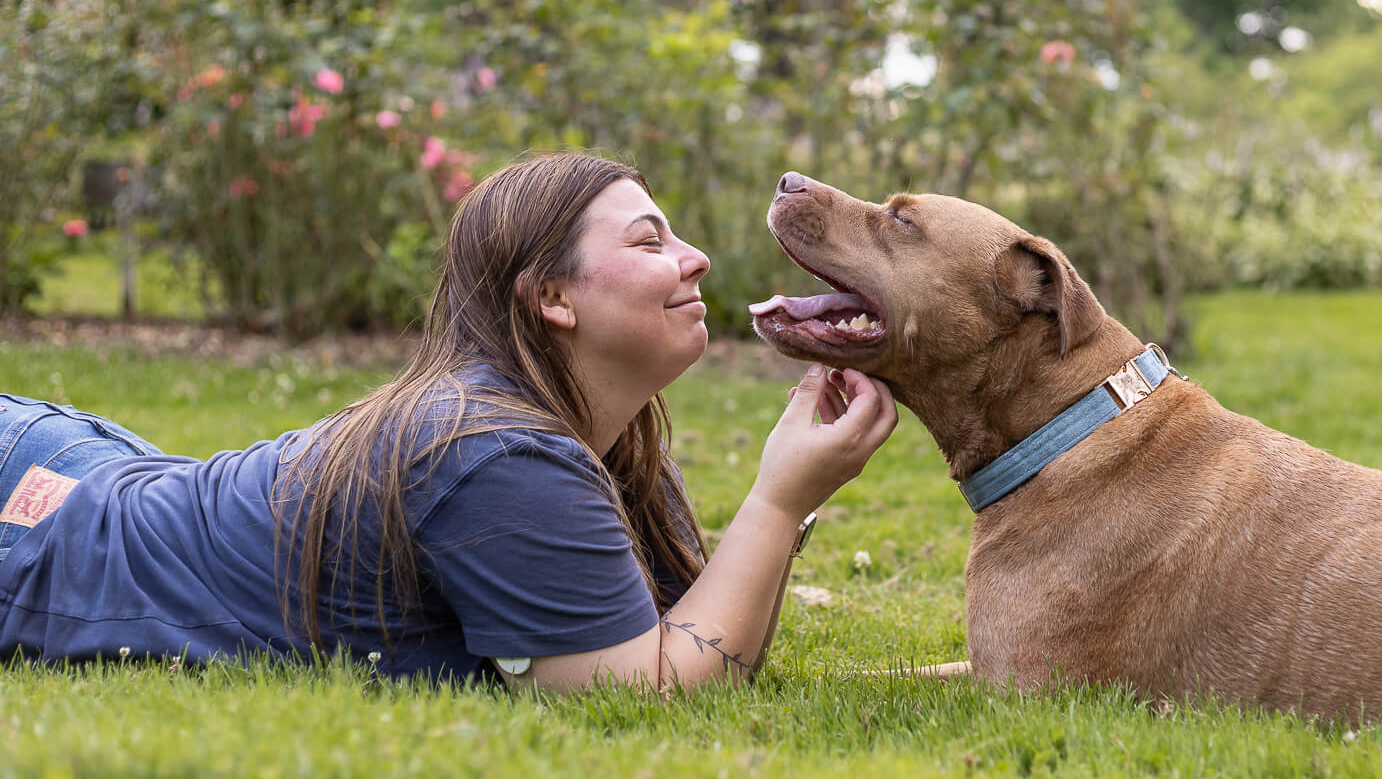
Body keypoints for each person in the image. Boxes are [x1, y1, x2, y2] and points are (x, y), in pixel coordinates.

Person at [0, 153, 898, 693]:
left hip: (95, 468)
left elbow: (680, 627)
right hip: (36, 528)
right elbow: (644, 689)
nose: (696, 256)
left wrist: (784, 501)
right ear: (552, 299)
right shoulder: (494, 456)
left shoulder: (606, 442)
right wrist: (781, 500)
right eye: (649, 242)